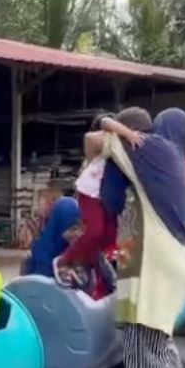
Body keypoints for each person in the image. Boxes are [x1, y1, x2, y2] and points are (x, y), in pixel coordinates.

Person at [97, 108, 185, 368]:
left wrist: (109, 123)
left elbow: (99, 133)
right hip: (179, 259)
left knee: (141, 343)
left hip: (159, 260)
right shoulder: (175, 161)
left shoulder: (150, 147)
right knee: (159, 340)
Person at [56, 116, 132, 300]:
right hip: (91, 194)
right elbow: (94, 133)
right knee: (95, 233)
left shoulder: (119, 153)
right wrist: (127, 133)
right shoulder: (107, 145)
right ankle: (63, 261)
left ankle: (98, 284)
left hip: (106, 199)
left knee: (107, 240)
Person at [23, 196, 83, 279]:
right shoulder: (36, 257)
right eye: (73, 229)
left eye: (80, 228)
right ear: (59, 227)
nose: (78, 234)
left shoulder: (78, 253)